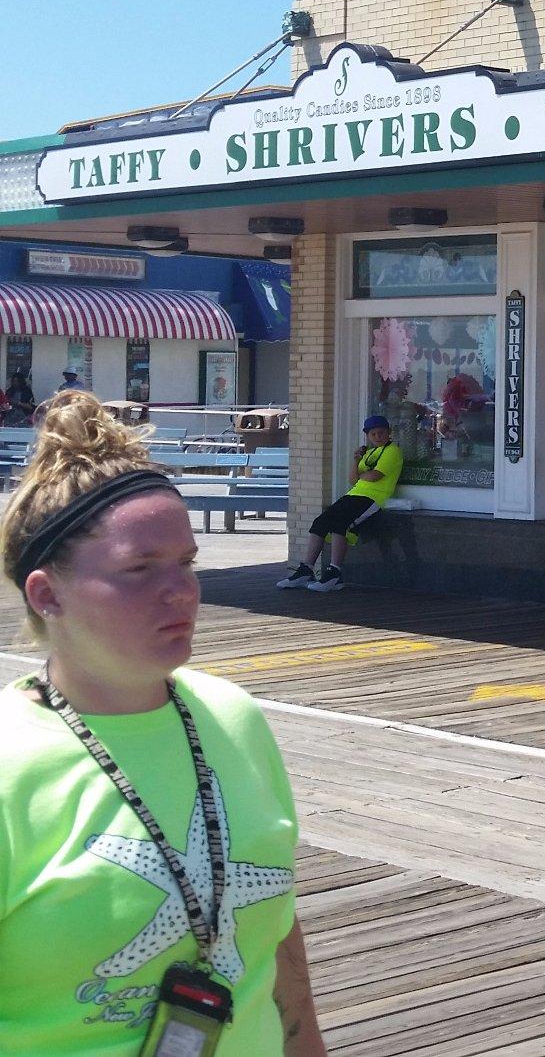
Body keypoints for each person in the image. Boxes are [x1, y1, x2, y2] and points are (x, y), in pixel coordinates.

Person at [0, 391, 327, 1054]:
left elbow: (275, 928)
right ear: (46, 593)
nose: (179, 591)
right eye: (139, 570)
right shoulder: (12, 765)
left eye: (186, 563)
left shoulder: (232, 718)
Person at [277, 415, 403, 594]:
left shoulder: (392, 451)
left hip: (373, 498)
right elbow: (352, 479)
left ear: (389, 433)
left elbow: (375, 476)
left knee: (340, 526)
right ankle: (306, 569)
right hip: (354, 494)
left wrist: (364, 474)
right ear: (367, 435)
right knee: (320, 523)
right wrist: (357, 461)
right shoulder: (368, 453)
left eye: (381, 433)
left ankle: (334, 573)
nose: (377, 437)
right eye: (373, 433)